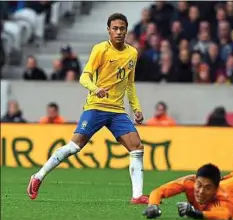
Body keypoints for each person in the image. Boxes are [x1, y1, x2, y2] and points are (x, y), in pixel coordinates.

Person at [27, 13, 148, 205]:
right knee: (74, 147)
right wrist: (95, 89)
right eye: (115, 28)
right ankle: (38, 176)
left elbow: (129, 84)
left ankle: (137, 196)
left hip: (117, 110)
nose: (118, 32)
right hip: (96, 106)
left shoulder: (132, 53)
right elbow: (84, 77)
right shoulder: (100, 49)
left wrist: (136, 108)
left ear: (126, 30)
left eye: (122, 28)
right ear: (108, 30)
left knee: (137, 148)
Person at [143, 161, 233, 220]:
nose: (200, 191)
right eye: (199, 185)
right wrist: (153, 205)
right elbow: (159, 191)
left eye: (207, 188)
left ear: (215, 189)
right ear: (195, 180)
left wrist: (194, 213)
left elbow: (225, 215)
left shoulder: (222, 196)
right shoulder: (190, 182)